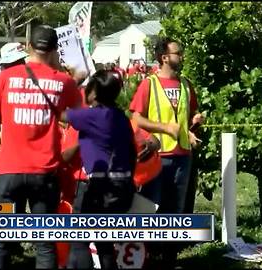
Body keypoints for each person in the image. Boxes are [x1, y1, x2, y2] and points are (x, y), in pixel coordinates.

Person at [0, 25, 81, 269]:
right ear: (54, 50)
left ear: (29, 47)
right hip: (44, 172)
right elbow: (80, 119)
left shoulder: (6, 77)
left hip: (8, 170)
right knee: (45, 243)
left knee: (0, 241)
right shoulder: (64, 82)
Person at [129, 37, 205, 269]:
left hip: (183, 156)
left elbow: (190, 116)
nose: (181, 56)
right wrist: (164, 128)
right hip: (156, 158)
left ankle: (169, 259)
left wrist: (195, 123)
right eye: (177, 53)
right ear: (164, 57)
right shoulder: (148, 84)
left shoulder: (186, 84)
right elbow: (136, 118)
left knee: (176, 210)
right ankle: (145, 257)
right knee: (150, 208)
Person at [59, 70, 136, 269]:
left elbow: (58, 112)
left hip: (99, 186)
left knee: (79, 239)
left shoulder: (93, 115)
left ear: (94, 93)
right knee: (104, 242)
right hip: (123, 187)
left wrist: (73, 80)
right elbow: (132, 151)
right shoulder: (121, 118)